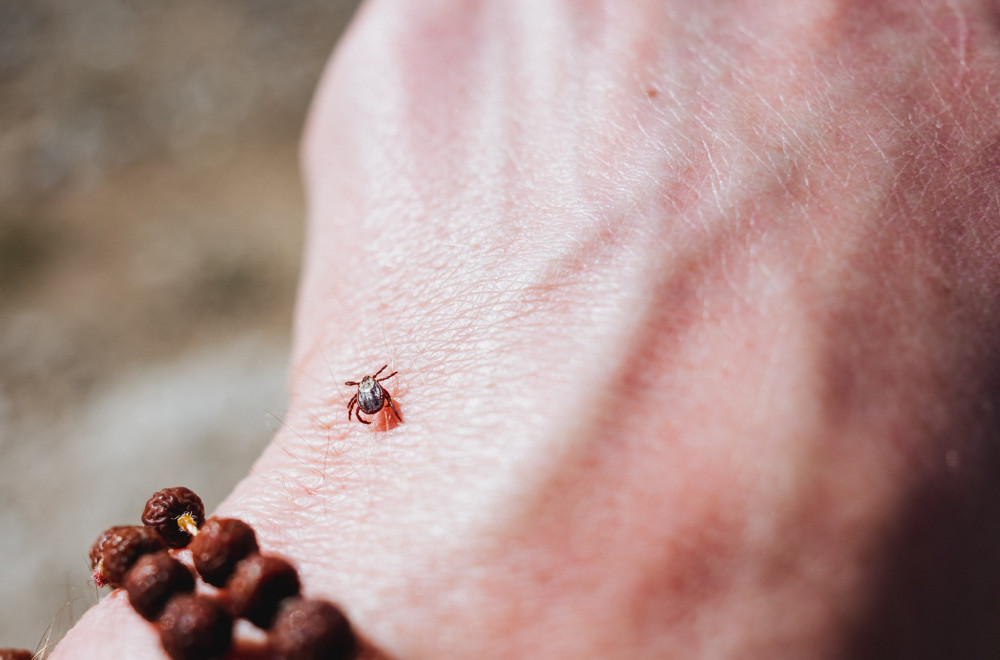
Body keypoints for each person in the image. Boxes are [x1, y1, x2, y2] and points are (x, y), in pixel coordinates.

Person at [51, 0, 1000, 657]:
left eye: (375, 395)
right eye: (374, 396)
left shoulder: (373, 395)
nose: (375, 398)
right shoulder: (375, 404)